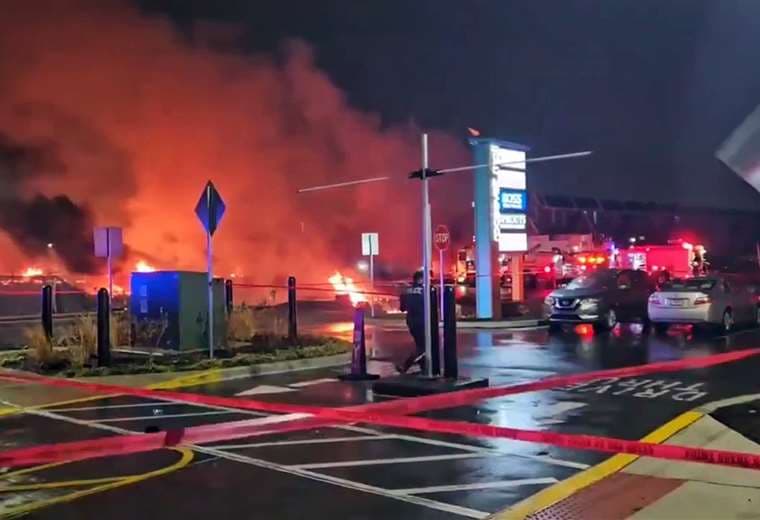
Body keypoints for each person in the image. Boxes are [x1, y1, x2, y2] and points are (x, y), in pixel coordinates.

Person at [397, 270, 426, 373]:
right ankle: (405, 365)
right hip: (422, 321)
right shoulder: (425, 290)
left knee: (420, 344)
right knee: (424, 346)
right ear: (421, 279)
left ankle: (424, 367)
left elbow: (402, 308)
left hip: (411, 321)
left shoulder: (406, 291)